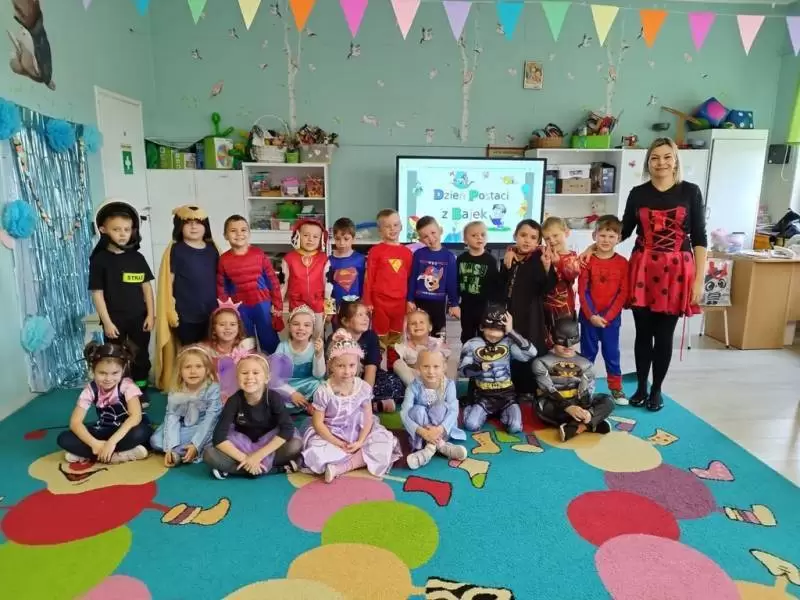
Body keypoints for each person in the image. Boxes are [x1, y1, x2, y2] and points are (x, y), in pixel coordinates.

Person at [582, 137, 707, 411]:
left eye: (667, 157)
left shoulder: (690, 191)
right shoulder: (638, 193)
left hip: (676, 272)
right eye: (655, 157)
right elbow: (623, 230)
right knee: (643, 333)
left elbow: (700, 237)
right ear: (648, 162)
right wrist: (593, 246)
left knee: (664, 335)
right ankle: (640, 386)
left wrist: (699, 279)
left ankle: (657, 389)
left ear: (675, 160)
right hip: (643, 269)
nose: (661, 162)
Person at [301, 329, 401, 483]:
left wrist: (360, 441)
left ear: (358, 364)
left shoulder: (362, 387)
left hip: (358, 431)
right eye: (341, 366)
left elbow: (368, 418)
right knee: (316, 453)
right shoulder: (324, 391)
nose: (347, 371)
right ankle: (357, 457)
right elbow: (318, 423)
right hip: (331, 434)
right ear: (331, 365)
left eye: (352, 365)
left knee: (384, 442)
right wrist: (337, 442)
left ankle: (341, 467)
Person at [89, 199, 154, 406]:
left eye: (126, 229)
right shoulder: (99, 260)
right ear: (103, 229)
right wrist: (107, 322)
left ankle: (140, 391)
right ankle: (117, 393)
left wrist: (150, 314)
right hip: (114, 320)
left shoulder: (137, 258)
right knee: (115, 358)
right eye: (116, 229)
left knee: (140, 357)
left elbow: (146, 288)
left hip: (139, 318)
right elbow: (97, 293)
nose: (123, 234)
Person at [203, 353, 302, 479]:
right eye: (244, 373)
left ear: (267, 378)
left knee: (295, 445)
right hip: (241, 445)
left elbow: (287, 429)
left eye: (256, 373)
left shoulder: (274, 398)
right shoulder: (233, 400)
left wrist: (257, 456)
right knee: (209, 454)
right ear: (237, 378)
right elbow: (218, 437)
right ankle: (275, 469)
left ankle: (238, 470)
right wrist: (246, 459)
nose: (250, 377)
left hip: (268, 445)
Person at [155, 205, 220, 390]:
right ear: (179, 226)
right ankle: (187, 385)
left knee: (209, 349)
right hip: (185, 312)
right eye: (188, 223)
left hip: (211, 311)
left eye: (198, 223)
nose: (193, 227)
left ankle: (208, 384)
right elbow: (168, 282)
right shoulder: (176, 250)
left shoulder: (213, 250)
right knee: (189, 351)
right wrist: (170, 309)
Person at [57, 341, 151, 464]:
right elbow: (75, 422)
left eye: (115, 373)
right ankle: (119, 455)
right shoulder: (90, 389)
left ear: (123, 370)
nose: (108, 379)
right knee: (64, 438)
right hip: (104, 429)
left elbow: (135, 417)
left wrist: (111, 442)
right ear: (93, 370)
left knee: (142, 432)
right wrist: (94, 443)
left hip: (125, 431)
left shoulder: (127, 386)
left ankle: (90, 455)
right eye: (102, 373)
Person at [532, 318, 614, 441]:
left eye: (573, 338)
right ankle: (590, 423)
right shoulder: (541, 362)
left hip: (578, 403)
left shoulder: (586, 364)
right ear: (551, 337)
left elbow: (586, 392)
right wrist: (568, 408)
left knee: (608, 400)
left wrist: (585, 411)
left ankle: (576, 427)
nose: (568, 345)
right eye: (561, 339)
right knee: (540, 407)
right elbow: (548, 389)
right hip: (554, 406)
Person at [500, 219, 557, 395]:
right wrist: (510, 252)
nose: (527, 240)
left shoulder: (539, 260)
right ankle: (511, 387)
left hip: (531, 314)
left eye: (533, 238)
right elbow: (502, 284)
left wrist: (547, 267)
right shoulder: (510, 258)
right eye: (523, 235)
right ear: (515, 236)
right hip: (511, 313)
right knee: (510, 348)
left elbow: (547, 288)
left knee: (530, 349)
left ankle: (530, 389)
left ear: (538, 242)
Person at [458, 306, 536, 433]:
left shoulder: (509, 343)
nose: (494, 334)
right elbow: (462, 371)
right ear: (482, 327)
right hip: (483, 395)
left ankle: (502, 413)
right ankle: (471, 407)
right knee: (471, 425)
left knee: (515, 427)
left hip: (507, 396)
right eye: (490, 329)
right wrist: (478, 367)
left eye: (498, 330)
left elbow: (532, 353)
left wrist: (511, 332)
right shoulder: (472, 344)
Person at [578, 215, 629, 404]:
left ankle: (616, 388)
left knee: (611, 354)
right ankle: (584, 388)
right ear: (594, 236)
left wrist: (608, 317)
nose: (606, 240)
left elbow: (623, 293)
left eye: (611, 236)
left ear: (619, 238)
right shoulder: (587, 260)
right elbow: (583, 291)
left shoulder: (623, 263)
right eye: (602, 235)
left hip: (611, 321)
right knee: (587, 355)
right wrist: (591, 315)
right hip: (588, 319)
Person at [217, 215, 283, 354]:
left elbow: (273, 281)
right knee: (245, 341)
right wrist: (226, 310)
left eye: (243, 230)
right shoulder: (223, 260)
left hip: (262, 304)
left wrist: (277, 304)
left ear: (249, 233)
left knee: (269, 338)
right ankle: (248, 365)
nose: (239, 234)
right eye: (233, 231)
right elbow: (221, 287)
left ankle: (274, 364)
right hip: (240, 307)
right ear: (225, 235)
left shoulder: (259, 254)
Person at [150, 345, 222, 467]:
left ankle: (190, 450)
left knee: (216, 434)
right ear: (180, 371)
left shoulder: (212, 389)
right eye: (187, 367)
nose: (193, 371)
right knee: (155, 440)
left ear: (207, 370)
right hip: (184, 426)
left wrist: (195, 444)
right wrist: (170, 447)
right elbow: (172, 416)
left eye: (198, 366)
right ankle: (179, 451)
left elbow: (211, 419)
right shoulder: (176, 390)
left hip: (205, 426)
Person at [399, 349, 467, 470]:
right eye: (426, 366)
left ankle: (430, 449)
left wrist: (439, 429)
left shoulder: (449, 385)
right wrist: (423, 432)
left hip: (441, 430)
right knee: (417, 410)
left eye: (436, 367)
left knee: (441, 407)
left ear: (444, 367)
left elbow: (453, 410)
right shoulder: (413, 387)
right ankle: (441, 446)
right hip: (422, 433)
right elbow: (404, 413)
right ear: (418, 367)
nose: (431, 371)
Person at [336, 300, 404, 412]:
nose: (366, 318)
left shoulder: (371, 336)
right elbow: (334, 371)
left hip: (367, 379)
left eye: (366, 314)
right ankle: (371, 406)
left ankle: (363, 405)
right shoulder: (337, 338)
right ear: (345, 321)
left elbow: (371, 368)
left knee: (395, 383)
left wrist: (365, 395)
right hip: (345, 378)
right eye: (360, 315)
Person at [362, 208, 413, 350]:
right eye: (387, 226)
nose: (392, 229)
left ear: (401, 226)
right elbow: (369, 277)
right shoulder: (375, 251)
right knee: (380, 338)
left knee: (396, 338)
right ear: (380, 230)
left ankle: (393, 362)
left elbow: (409, 279)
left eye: (396, 225)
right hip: (380, 302)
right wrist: (367, 301)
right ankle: (378, 363)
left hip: (400, 303)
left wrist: (410, 300)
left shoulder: (407, 253)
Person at [407, 216, 459, 338]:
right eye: (425, 236)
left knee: (438, 337)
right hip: (420, 302)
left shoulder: (449, 257)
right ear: (420, 239)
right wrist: (409, 299)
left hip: (438, 304)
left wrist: (454, 304)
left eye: (433, 233)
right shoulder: (418, 254)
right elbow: (413, 278)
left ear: (440, 230)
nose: (430, 238)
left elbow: (451, 283)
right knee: (419, 335)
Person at [281, 218, 331, 337]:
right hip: (296, 305)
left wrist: (329, 310)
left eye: (315, 236)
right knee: (297, 335)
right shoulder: (289, 259)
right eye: (306, 235)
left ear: (321, 239)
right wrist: (277, 306)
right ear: (298, 235)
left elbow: (329, 286)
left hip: (318, 305)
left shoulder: (324, 259)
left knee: (318, 336)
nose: (310, 239)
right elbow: (283, 285)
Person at [273, 305, 326, 414]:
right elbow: (275, 376)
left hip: (308, 385)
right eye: (296, 324)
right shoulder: (282, 347)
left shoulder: (314, 347)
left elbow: (319, 375)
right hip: (287, 385)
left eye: (307, 325)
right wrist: (291, 393)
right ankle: (298, 406)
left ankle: (311, 406)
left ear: (312, 330)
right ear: (289, 326)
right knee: (272, 392)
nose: (301, 328)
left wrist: (319, 355)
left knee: (321, 387)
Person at [541, 216, 581, 347]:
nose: (552, 241)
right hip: (544, 306)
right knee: (547, 341)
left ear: (566, 232)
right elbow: (525, 248)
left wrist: (558, 262)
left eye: (555, 235)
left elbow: (572, 275)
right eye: (547, 238)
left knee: (563, 341)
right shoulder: (542, 252)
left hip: (564, 308)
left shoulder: (572, 256)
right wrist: (511, 250)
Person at [457, 221, 499, 344]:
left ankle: (483, 354)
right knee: (467, 334)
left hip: (484, 306)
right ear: (465, 240)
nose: (479, 238)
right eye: (474, 235)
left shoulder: (490, 260)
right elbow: (456, 281)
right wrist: (453, 303)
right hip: (466, 305)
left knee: (484, 334)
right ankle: (467, 353)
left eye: (482, 234)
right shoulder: (461, 259)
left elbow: (496, 284)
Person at [390, 308, 451, 386]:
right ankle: (416, 388)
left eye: (421, 322)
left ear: (430, 327)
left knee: (441, 363)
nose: (417, 325)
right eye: (413, 323)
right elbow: (396, 362)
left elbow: (443, 362)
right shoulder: (406, 347)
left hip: (433, 377)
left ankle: (434, 387)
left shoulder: (436, 343)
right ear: (407, 330)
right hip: (413, 378)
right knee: (397, 364)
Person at [328, 217, 367, 322]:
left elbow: (364, 284)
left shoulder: (360, 259)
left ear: (353, 238)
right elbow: (327, 288)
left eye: (346, 239)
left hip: (356, 308)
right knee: (339, 330)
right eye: (337, 239)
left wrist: (364, 304)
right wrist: (329, 310)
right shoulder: (329, 261)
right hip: (337, 308)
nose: (341, 243)